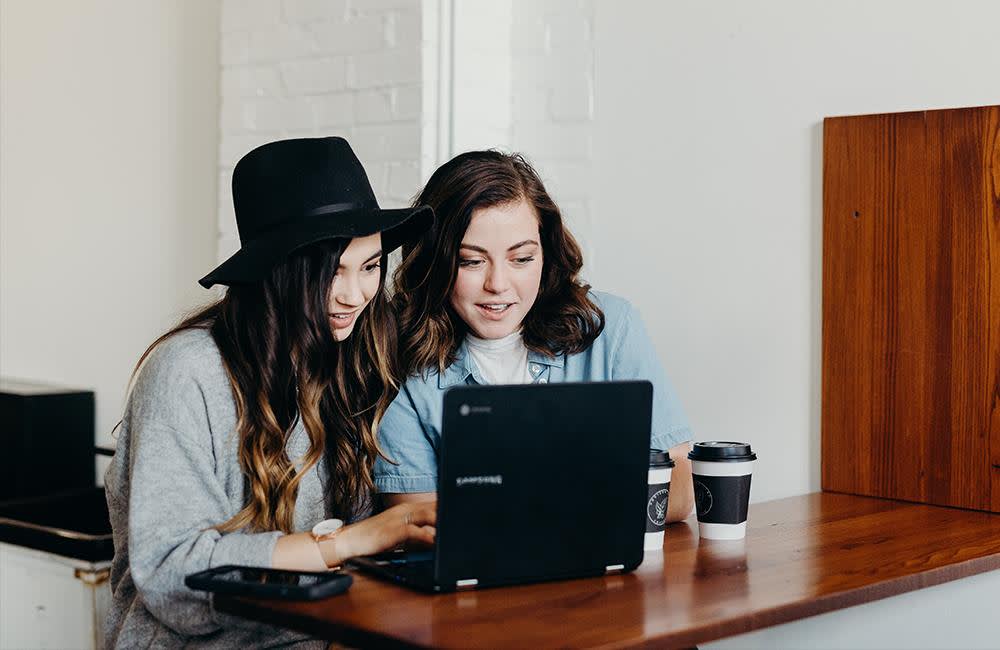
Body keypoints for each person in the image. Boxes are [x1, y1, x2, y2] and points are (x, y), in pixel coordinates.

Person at [104, 137, 436, 648]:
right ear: (279, 271)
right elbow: (172, 574)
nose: (354, 295)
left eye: (370, 266)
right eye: (331, 272)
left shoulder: (351, 360)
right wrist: (347, 542)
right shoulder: (187, 372)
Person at [375, 150, 695, 523]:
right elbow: (414, 521)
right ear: (435, 262)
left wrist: (508, 505)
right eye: (471, 261)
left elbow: (677, 492)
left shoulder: (610, 327)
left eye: (521, 259)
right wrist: (592, 489)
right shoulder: (399, 358)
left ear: (546, 254)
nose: (498, 285)